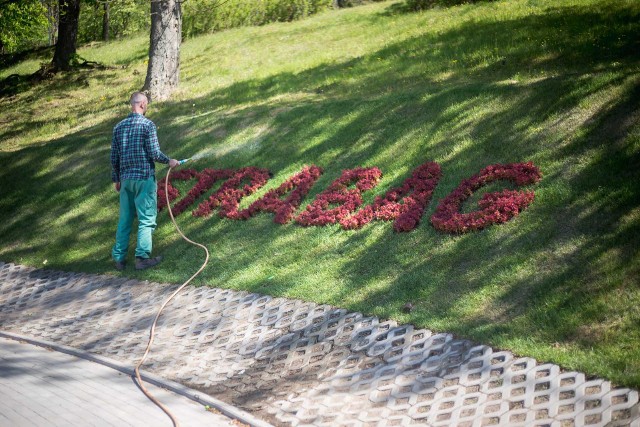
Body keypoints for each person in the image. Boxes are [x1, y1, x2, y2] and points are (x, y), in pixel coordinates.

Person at [110, 92, 179, 271]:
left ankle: (119, 259)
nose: (146, 107)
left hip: (126, 180)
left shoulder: (118, 127)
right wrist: (169, 161)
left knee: (125, 219)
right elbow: (154, 153)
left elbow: (114, 157)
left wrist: (116, 178)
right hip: (144, 179)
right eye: (146, 104)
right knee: (146, 219)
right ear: (141, 104)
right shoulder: (147, 125)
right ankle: (141, 258)